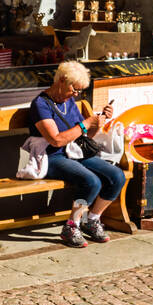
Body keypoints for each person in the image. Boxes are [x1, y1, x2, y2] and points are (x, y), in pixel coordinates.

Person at [30, 61, 119, 247]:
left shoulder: (69, 100)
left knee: (116, 176)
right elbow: (56, 140)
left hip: (76, 151)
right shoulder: (41, 104)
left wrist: (97, 124)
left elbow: (83, 136)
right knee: (91, 182)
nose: (76, 94)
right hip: (52, 156)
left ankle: (93, 219)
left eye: (79, 91)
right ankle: (72, 225)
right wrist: (86, 124)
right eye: (75, 89)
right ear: (62, 80)